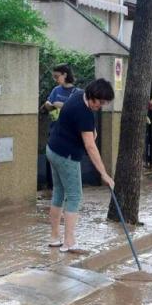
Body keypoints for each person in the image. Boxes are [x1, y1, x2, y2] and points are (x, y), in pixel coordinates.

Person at [46, 79, 115, 253]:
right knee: (75, 196)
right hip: (66, 156)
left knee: (59, 193)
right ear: (93, 97)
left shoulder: (77, 95)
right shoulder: (83, 112)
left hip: (53, 149)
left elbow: (88, 131)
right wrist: (104, 174)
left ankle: (54, 238)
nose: (101, 106)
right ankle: (69, 242)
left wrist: (92, 132)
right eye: (100, 102)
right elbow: (90, 147)